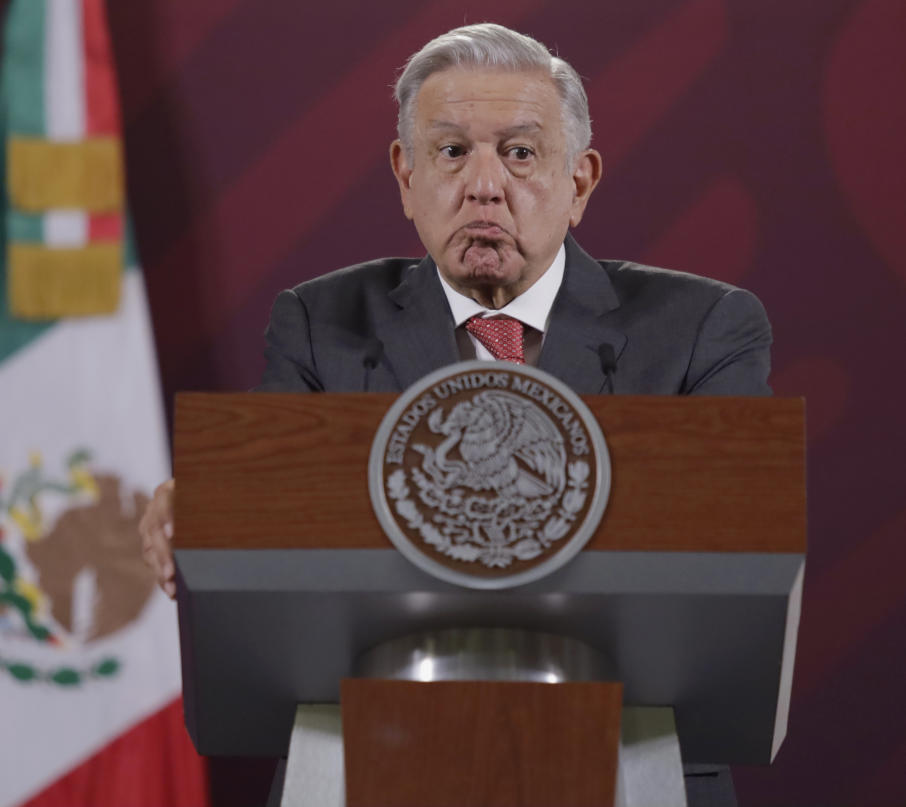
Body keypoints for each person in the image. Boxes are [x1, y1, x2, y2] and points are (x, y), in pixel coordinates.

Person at [147, 26, 764, 802]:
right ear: (406, 177)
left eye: (520, 153)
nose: (483, 185)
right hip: (375, 758)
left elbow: (736, 532)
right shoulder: (321, 322)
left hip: (624, 758)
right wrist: (209, 505)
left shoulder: (703, 328)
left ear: (580, 181)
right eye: (450, 153)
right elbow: (271, 493)